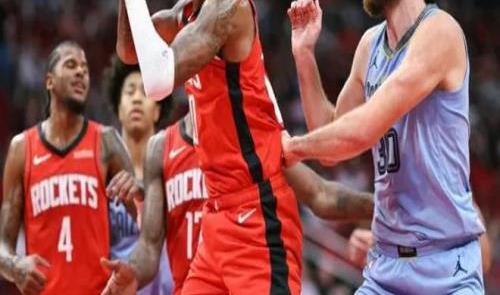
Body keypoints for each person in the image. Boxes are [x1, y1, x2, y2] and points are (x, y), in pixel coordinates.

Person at [93, 0, 303, 293]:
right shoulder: (187, 11)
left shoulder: (230, 7)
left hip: (258, 218)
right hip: (217, 219)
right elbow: (129, 50)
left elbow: (157, 81)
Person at [282, 0, 486, 294]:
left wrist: (291, 148)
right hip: (386, 268)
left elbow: (365, 128)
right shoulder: (370, 44)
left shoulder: (439, 32)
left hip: (446, 270)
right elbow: (330, 141)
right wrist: (304, 55)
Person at [101, 108, 374, 295]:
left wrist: (384, 205)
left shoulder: (251, 133)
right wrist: (133, 271)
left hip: (249, 280)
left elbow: (320, 194)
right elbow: (149, 246)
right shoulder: (161, 147)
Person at [0, 41, 139, 295]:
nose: (81, 73)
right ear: (49, 81)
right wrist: (14, 265)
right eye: (71, 65)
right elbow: (2, 244)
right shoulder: (22, 148)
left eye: (85, 68)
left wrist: (140, 190)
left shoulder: (106, 140)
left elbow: (148, 221)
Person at [103, 55, 173, 294]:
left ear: (157, 110)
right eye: (129, 91)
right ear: (118, 108)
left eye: (145, 92)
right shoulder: (101, 174)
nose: (136, 98)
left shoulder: (173, 168)